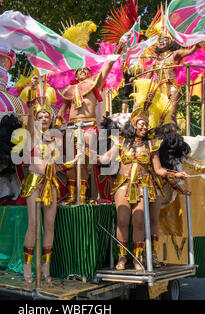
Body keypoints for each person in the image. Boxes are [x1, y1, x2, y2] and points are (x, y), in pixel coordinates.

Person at [97, 109, 189, 271]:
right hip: (123, 184)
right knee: (122, 221)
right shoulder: (121, 142)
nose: (143, 127)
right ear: (133, 126)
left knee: (139, 221)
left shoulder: (151, 146)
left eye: (145, 125)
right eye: (140, 124)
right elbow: (105, 158)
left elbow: (159, 170)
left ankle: (137, 257)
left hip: (143, 186)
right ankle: (122, 257)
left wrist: (176, 174)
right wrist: (88, 153)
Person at [55, 40, 125, 205]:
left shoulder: (94, 84)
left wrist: (114, 55)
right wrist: (57, 125)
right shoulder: (70, 91)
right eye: (80, 70)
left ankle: (85, 196)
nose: (84, 72)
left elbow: (106, 70)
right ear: (75, 74)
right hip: (71, 127)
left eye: (86, 70)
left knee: (86, 161)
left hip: (88, 127)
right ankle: (73, 196)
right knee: (72, 164)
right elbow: (62, 110)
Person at [19, 89, 77, 283]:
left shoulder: (54, 140)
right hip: (34, 183)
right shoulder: (31, 135)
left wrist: (72, 162)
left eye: (46, 116)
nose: (43, 118)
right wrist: (29, 103)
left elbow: (55, 167)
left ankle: (46, 268)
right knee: (34, 225)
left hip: (50, 184)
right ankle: (28, 268)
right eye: (40, 116)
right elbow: (28, 119)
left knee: (50, 226)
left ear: (51, 120)